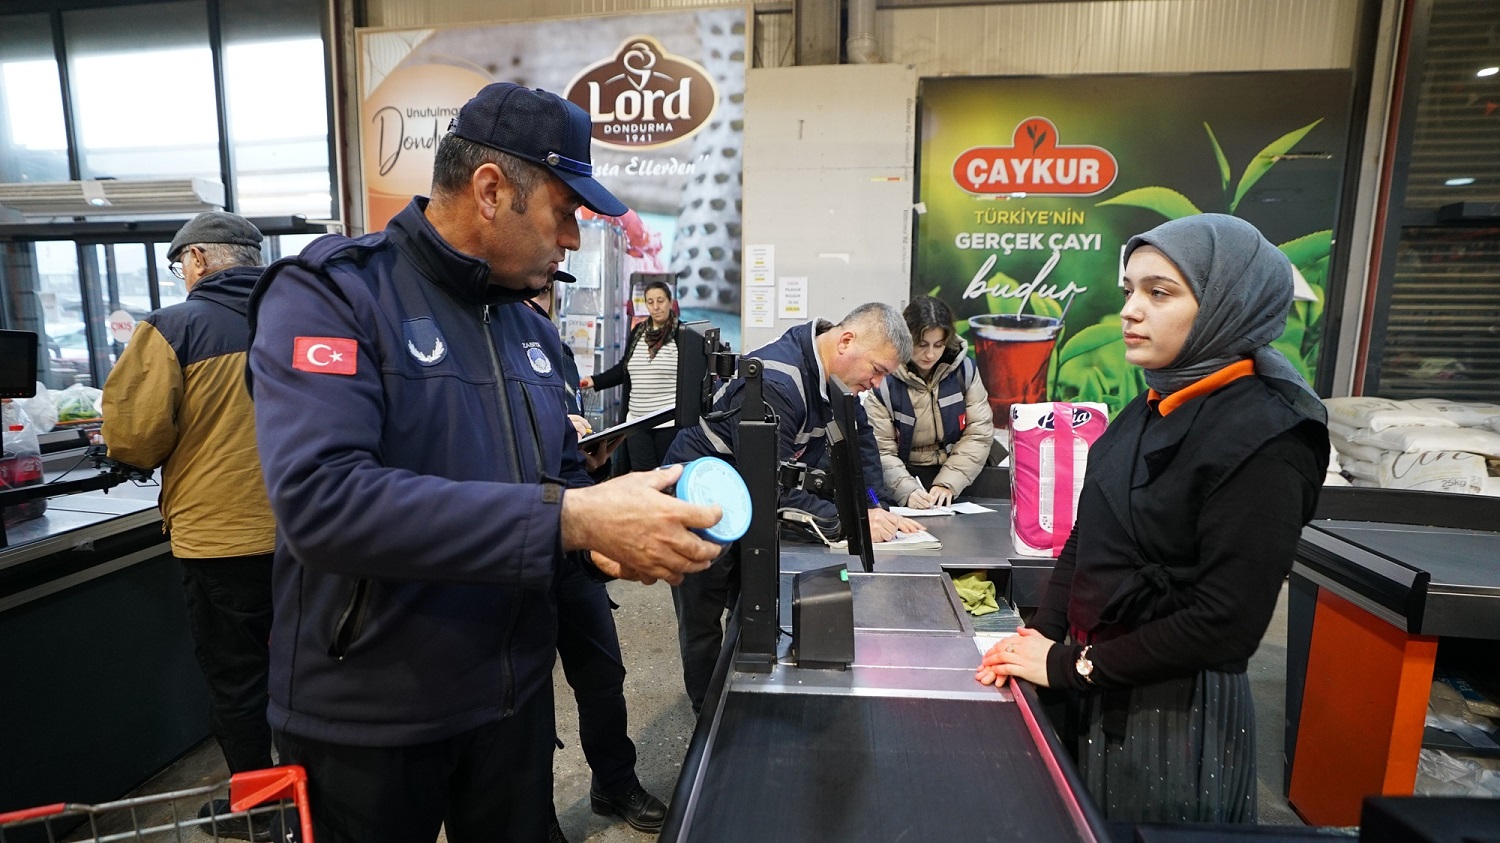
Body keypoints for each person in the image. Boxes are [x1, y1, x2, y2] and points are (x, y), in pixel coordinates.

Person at [246, 82, 723, 843]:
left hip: (510, 705)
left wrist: (612, 538)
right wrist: (573, 516)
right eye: (565, 211)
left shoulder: (525, 330)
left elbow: (556, 488)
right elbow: (322, 501)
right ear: (493, 190)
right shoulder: (333, 295)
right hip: (370, 718)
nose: (572, 239)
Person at [975, 214, 1329, 824]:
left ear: (1227, 305)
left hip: (1171, 714)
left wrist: (1069, 666)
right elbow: (1090, 533)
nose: (1131, 311)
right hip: (1094, 681)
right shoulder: (1153, 402)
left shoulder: (1269, 436)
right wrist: (1044, 634)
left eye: (1159, 293)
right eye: (1129, 291)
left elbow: (1225, 624)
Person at [99, 212, 278, 839]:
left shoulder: (173, 328)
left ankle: (258, 811)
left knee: (238, 680)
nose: (182, 275)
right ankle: (321, 794)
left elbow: (134, 438)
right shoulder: (301, 318)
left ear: (199, 259)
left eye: (181, 265)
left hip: (223, 539)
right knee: (312, 672)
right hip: (314, 535)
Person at [661, 304, 924, 714]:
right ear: (847, 341)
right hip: (704, 501)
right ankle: (709, 719)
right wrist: (850, 524)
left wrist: (875, 508)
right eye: (877, 370)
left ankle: (741, 702)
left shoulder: (837, 380)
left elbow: (863, 450)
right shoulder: (779, 383)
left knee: (749, 609)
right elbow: (770, 490)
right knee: (704, 618)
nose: (875, 384)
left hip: (748, 499)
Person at [518, 293, 667, 839]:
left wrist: (586, 454)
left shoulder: (552, 346)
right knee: (528, 695)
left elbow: (559, 432)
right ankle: (537, 815)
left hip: (576, 540)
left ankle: (614, 782)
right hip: (522, 540)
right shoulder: (481, 346)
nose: (541, 300)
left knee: (602, 675)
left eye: (546, 294)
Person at [866, 295, 995, 509]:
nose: (930, 354)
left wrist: (949, 483)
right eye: (922, 344)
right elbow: (879, 450)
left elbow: (979, 432)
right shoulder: (883, 379)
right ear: (906, 339)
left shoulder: (965, 371)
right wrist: (906, 491)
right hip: (904, 479)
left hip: (960, 480)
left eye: (939, 345)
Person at [580, 278, 682, 471]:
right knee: (642, 479)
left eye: (660, 300)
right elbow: (623, 369)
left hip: (668, 423)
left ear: (671, 302)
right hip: (637, 422)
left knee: (668, 478)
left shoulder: (682, 333)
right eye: (650, 302)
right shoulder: (638, 332)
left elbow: (691, 375)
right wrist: (593, 380)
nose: (656, 307)